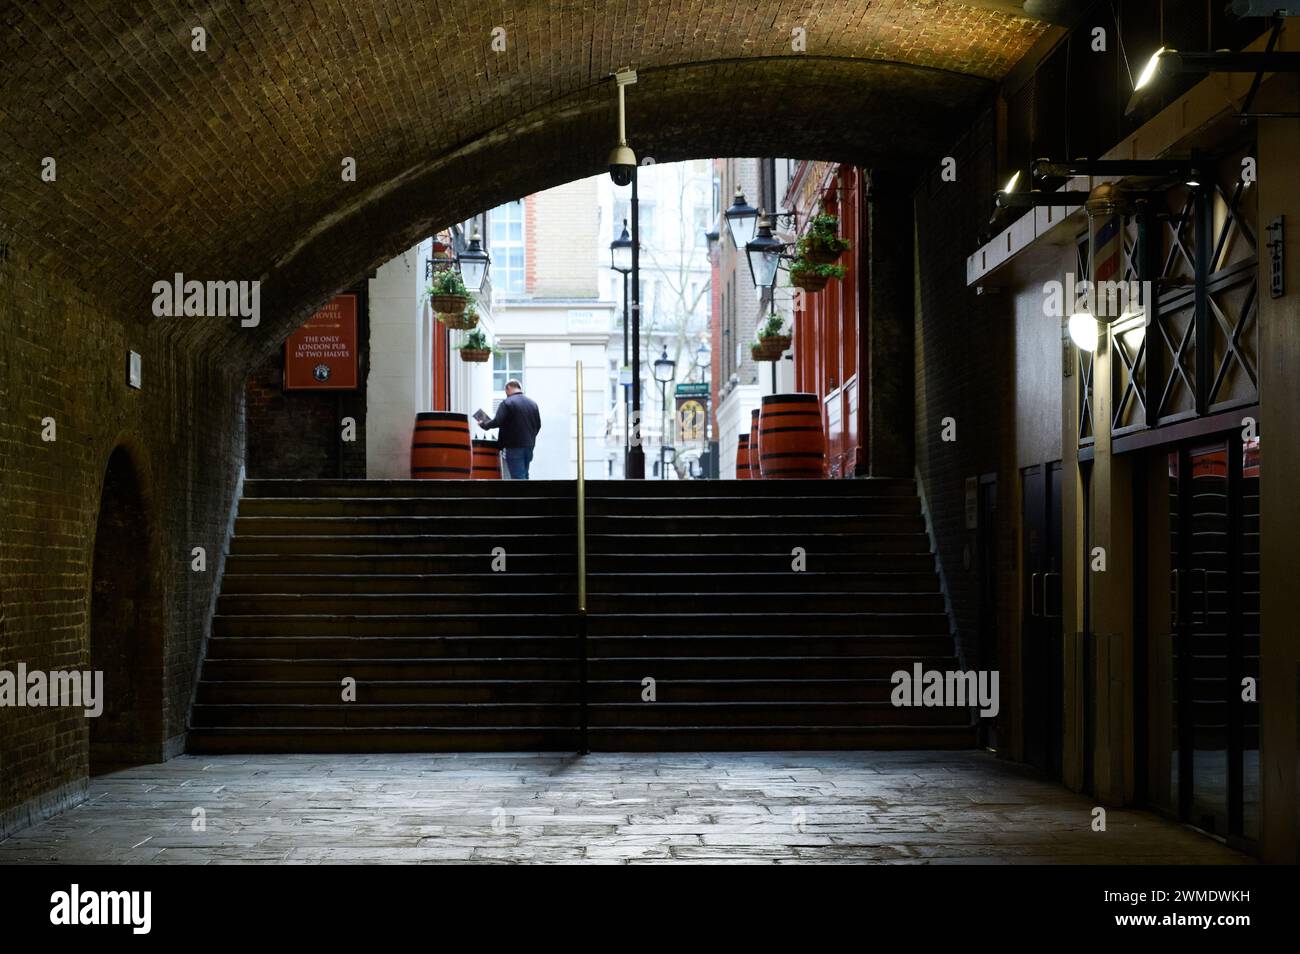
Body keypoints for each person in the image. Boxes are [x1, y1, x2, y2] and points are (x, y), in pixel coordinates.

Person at [481, 379, 541, 479]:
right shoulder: (532, 404)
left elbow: (498, 421)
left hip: (513, 446)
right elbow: (538, 425)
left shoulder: (507, 403)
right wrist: (530, 438)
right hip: (529, 446)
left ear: (508, 388)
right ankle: (528, 494)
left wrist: (484, 424)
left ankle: (521, 495)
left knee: (518, 477)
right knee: (525, 475)